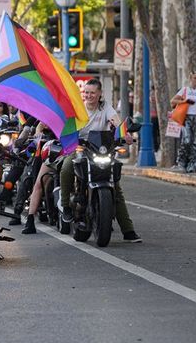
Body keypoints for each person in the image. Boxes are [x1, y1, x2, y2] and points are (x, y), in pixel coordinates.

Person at [60, 78, 142, 243]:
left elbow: (117, 124)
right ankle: (66, 207)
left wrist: (124, 135)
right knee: (67, 167)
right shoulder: (78, 108)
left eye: (92, 93)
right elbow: (66, 127)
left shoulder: (106, 108)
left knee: (115, 187)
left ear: (99, 94)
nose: (89, 96)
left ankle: (128, 230)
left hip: (101, 150)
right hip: (80, 149)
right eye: (86, 92)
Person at [171, 72, 196, 173]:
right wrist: (184, 101)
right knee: (186, 139)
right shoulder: (185, 90)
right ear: (190, 79)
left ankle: (193, 164)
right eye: (195, 78)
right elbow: (173, 101)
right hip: (186, 117)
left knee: (195, 142)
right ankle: (181, 162)